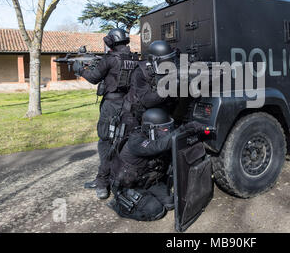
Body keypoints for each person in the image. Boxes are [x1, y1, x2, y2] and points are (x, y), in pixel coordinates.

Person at [73, 28, 138, 200]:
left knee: (105, 142)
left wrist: (80, 70)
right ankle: (115, 177)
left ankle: (102, 183)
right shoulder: (133, 58)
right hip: (128, 104)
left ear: (111, 42)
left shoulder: (109, 59)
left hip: (111, 106)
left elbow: (94, 77)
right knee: (121, 141)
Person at [108, 108, 203, 221]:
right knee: (155, 211)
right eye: (165, 129)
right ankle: (118, 205)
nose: (168, 131)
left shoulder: (155, 137)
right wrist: (185, 128)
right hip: (126, 185)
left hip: (146, 182)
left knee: (170, 202)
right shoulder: (136, 141)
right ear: (151, 129)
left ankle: (145, 195)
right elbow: (157, 146)